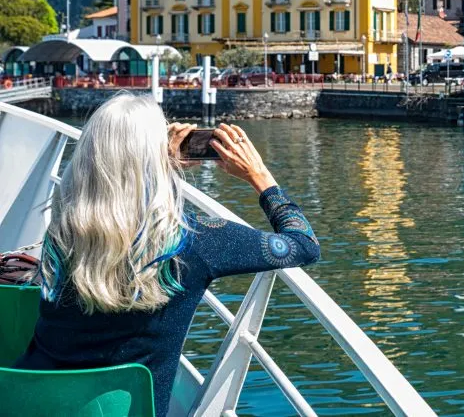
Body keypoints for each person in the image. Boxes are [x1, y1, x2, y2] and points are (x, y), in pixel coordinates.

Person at [14, 94, 319, 417]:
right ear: (154, 158)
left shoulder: (61, 230)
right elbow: (303, 243)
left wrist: (161, 168)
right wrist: (260, 177)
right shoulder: (198, 240)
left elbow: (120, 211)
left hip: (29, 403)